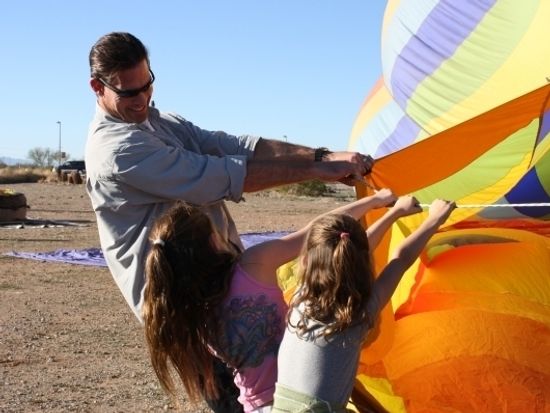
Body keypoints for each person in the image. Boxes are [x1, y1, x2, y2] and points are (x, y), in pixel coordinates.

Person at [85, 31, 374, 412]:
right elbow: (222, 175)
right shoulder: (118, 150)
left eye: (147, 85)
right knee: (241, 400)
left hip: (221, 289)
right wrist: (317, 169)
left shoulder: (160, 123)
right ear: (97, 87)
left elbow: (234, 146)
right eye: (128, 93)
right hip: (188, 306)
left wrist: (320, 154)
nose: (142, 99)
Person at [142, 189, 421, 412]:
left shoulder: (189, 314)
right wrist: (380, 202)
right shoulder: (253, 264)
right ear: (214, 242)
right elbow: (322, 235)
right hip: (304, 395)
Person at [271, 199, 456, 413]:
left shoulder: (301, 296)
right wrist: (435, 219)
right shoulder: (356, 315)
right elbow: (401, 259)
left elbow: (349, 251)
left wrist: (395, 212)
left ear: (305, 262)